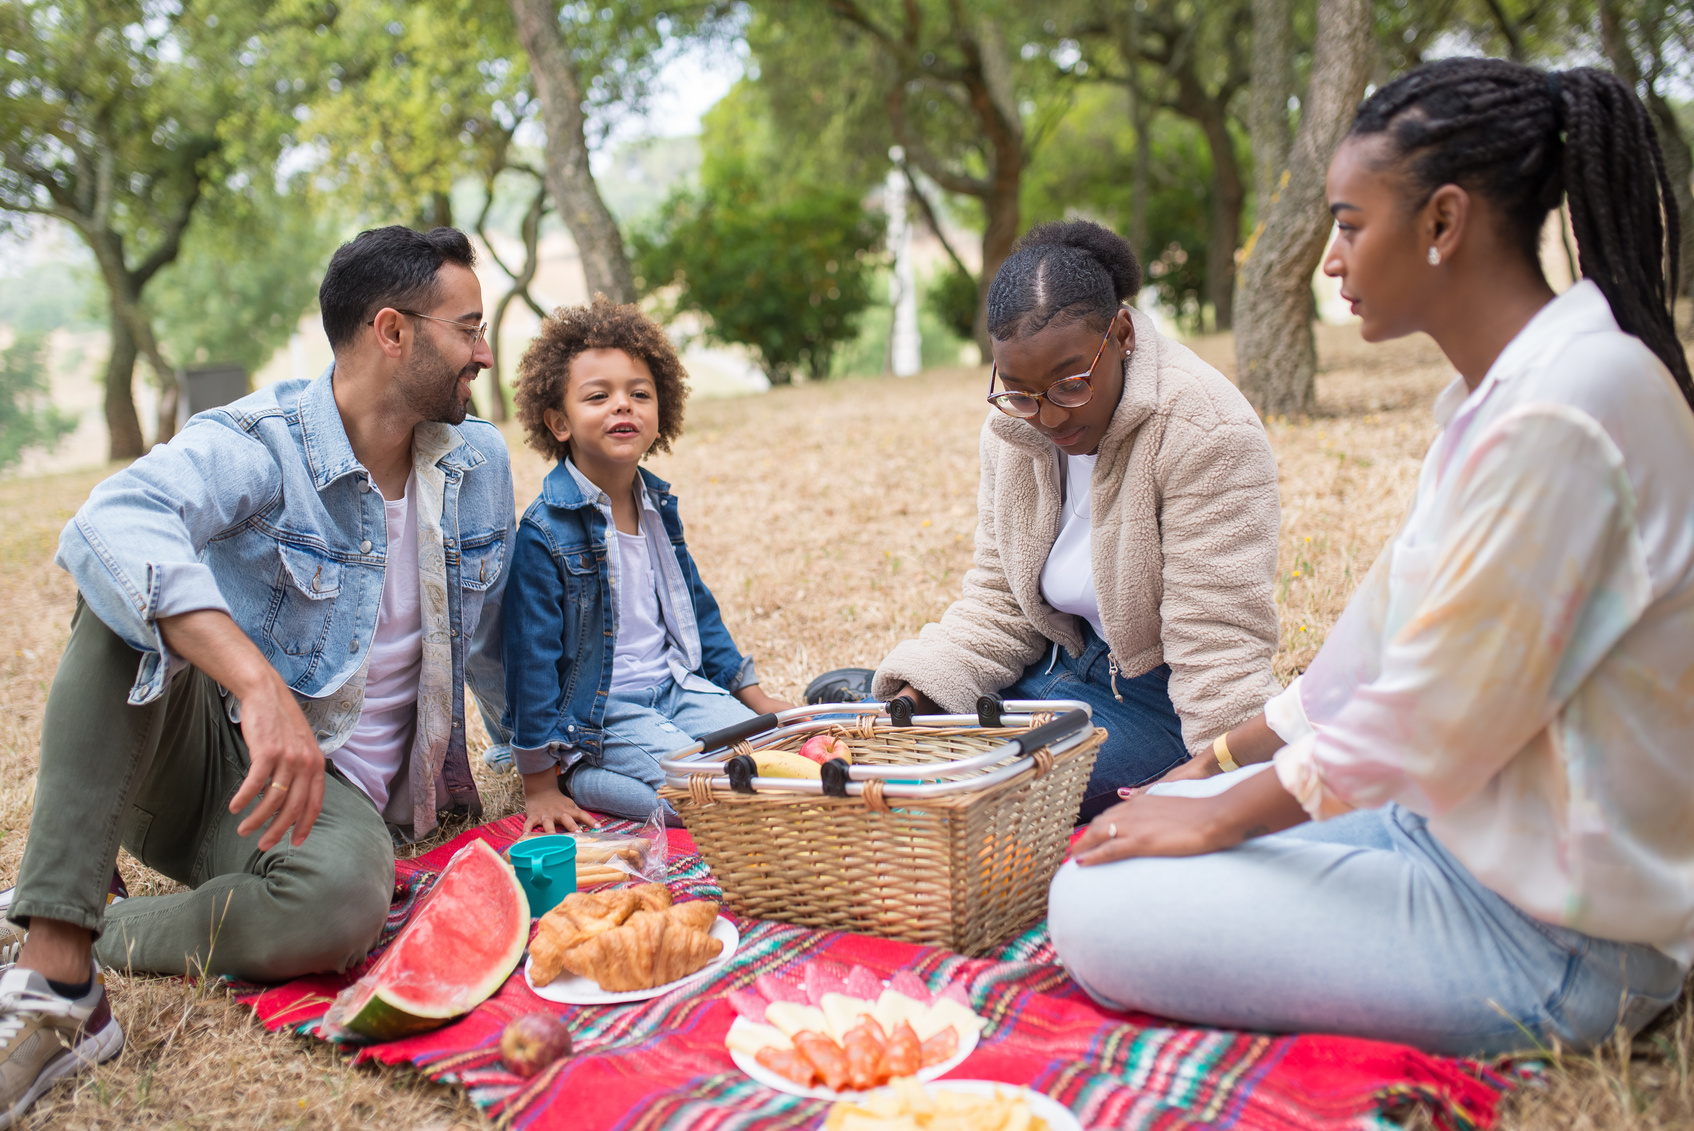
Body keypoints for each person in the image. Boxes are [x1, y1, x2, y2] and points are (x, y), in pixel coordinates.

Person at [1049, 60, 1694, 1058]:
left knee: (1092, 913)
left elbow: (1429, 714)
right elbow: (1369, 650)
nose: (1332, 260)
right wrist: (1207, 770)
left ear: (1441, 223)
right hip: (1443, 837)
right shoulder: (1508, 395)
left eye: (1349, 226)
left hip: (1557, 939)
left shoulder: (1566, 409)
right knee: (1109, 859)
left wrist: (1215, 824)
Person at [0, 225, 516, 1117]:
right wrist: (256, 682)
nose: (484, 351)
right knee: (124, 592)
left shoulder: (479, 463)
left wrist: (545, 764)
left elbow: (496, 640)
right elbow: (111, 521)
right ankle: (55, 978)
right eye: (468, 328)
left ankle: (65, 915)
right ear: (392, 331)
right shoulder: (261, 441)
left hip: (333, 810)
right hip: (209, 764)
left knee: (343, 906)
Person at [873, 220, 1283, 822]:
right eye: (1018, 391)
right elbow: (999, 604)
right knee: (880, 756)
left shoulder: (1206, 433)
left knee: (975, 799)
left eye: (1070, 384)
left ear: (1120, 334)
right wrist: (917, 697)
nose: (1045, 416)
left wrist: (1214, 789)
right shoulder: (1013, 430)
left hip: (1157, 701)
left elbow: (1217, 652)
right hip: (1055, 665)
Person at [499, 296, 792, 831]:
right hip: (603, 709)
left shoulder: (657, 507)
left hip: (677, 686)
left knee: (774, 759)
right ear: (559, 421)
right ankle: (577, 777)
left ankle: (640, 776)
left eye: (639, 394)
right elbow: (530, 658)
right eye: (599, 396)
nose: (623, 406)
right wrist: (537, 782)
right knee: (710, 791)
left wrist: (751, 696)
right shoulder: (545, 531)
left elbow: (699, 610)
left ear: (663, 412)